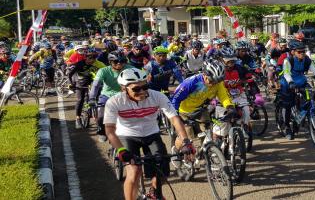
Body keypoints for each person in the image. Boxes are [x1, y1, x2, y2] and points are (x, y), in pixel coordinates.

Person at [104, 68, 195, 200]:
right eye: (136, 89)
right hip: (127, 135)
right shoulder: (114, 101)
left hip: (151, 133)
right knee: (134, 171)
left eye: (145, 86)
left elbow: (174, 119)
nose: (142, 91)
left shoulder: (157, 96)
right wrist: (122, 150)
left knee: (162, 169)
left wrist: (186, 141)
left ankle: (154, 191)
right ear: (124, 88)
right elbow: (110, 131)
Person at [171, 59, 234, 143]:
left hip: (200, 110)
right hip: (184, 111)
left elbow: (224, 96)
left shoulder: (218, 82)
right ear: (204, 74)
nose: (214, 83)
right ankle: (175, 149)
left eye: (217, 81)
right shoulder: (191, 83)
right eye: (211, 80)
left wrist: (230, 107)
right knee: (187, 138)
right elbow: (175, 99)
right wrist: (176, 116)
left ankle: (205, 152)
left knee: (207, 134)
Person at [89, 51, 134, 142]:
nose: (119, 64)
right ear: (110, 62)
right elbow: (96, 85)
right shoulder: (103, 71)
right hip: (107, 96)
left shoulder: (130, 69)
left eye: (122, 61)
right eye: (115, 61)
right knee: (101, 116)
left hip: (124, 96)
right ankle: (102, 132)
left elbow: (141, 79)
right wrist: (92, 98)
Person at [278, 40, 312, 140]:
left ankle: (298, 120)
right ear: (293, 51)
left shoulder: (306, 60)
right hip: (288, 84)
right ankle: (287, 127)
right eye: (299, 52)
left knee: (309, 100)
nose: (302, 53)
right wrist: (290, 82)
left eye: (303, 51)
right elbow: (286, 73)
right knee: (287, 105)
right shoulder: (287, 59)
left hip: (301, 83)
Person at [67, 50, 105, 129]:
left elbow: (106, 72)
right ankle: (77, 118)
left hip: (92, 83)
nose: (92, 61)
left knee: (97, 99)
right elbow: (70, 74)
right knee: (80, 99)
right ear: (86, 58)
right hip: (80, 83)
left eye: (94, 59)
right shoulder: (79, 64)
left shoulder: (98, 64)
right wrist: (71, 84)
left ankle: (97, 118)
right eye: (90, 58)